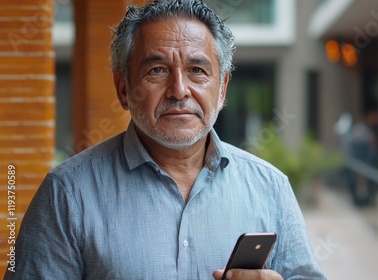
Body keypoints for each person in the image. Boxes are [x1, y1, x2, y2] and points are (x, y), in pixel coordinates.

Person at [5, 0, 326, 279]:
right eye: (157, 70)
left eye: (197, 70)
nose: (179, 90)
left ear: (223, 88)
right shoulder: (67, 194)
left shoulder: (270, 187)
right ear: (123, 88)